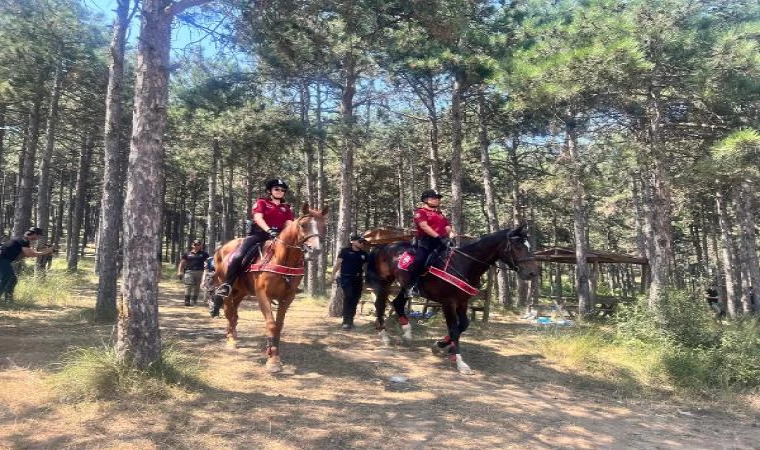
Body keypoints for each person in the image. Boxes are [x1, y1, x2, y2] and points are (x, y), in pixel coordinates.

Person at [214, 178, 295, 301]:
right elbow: (258, 218)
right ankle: (227, 284)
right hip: (259, 235)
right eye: (276, 189)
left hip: (278, 238)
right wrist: (268, 230)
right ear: (269, 191)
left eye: (282, 190)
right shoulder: (261, 203)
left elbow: (289, 224)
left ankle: (290, 285)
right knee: (238, 256)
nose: (280, 191)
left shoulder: (286, 208)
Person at [404, 189, 456, 297]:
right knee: (420, 261)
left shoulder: (440, 214)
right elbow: (424, 226)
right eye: (434, 198)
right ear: (426, 199)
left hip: (442, 242)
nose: (437, 200)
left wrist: (451, 235)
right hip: (426, 242)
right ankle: (410, 287)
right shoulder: (420, 212)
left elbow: (447, 227)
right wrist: (438, 237)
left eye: (438, 198)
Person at [0, 227, 54, 303]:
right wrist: (47, 251)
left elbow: (26, 252)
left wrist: (42, 250)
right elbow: (30, 254)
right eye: (39, 236)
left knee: (12, 280)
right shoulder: (24, 240)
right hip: (2, 259)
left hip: (4, 260)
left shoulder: (22, 239)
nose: (38, 238)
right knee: (6, 278)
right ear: (34, 234)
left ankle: (8, 300)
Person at [332, 234, 368, 330]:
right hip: (346, 278)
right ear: (353, 242)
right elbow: (338, 263)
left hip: (358, 279)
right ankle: (345, 321)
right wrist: (332, 275)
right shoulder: (345, 251)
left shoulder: (363, 254)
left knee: (355, 299)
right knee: (349, 297)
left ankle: (350, 321)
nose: (361, 243)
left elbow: (366, 267)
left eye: (362, 242)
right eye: (359, 241)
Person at [177, 239, 209, 306]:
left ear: (200, 246)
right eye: (195, 244)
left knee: (197, 287)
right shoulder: (187, 254)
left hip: (200, 272)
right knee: (188, 285)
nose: (196, 246)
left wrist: (207, 271)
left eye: (198, 245)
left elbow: (207, 262)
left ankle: (194, 300)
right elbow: (182, 263)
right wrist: (179, 271)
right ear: (192, 245)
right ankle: (187, 300)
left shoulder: (204, 254)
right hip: (189, 271)